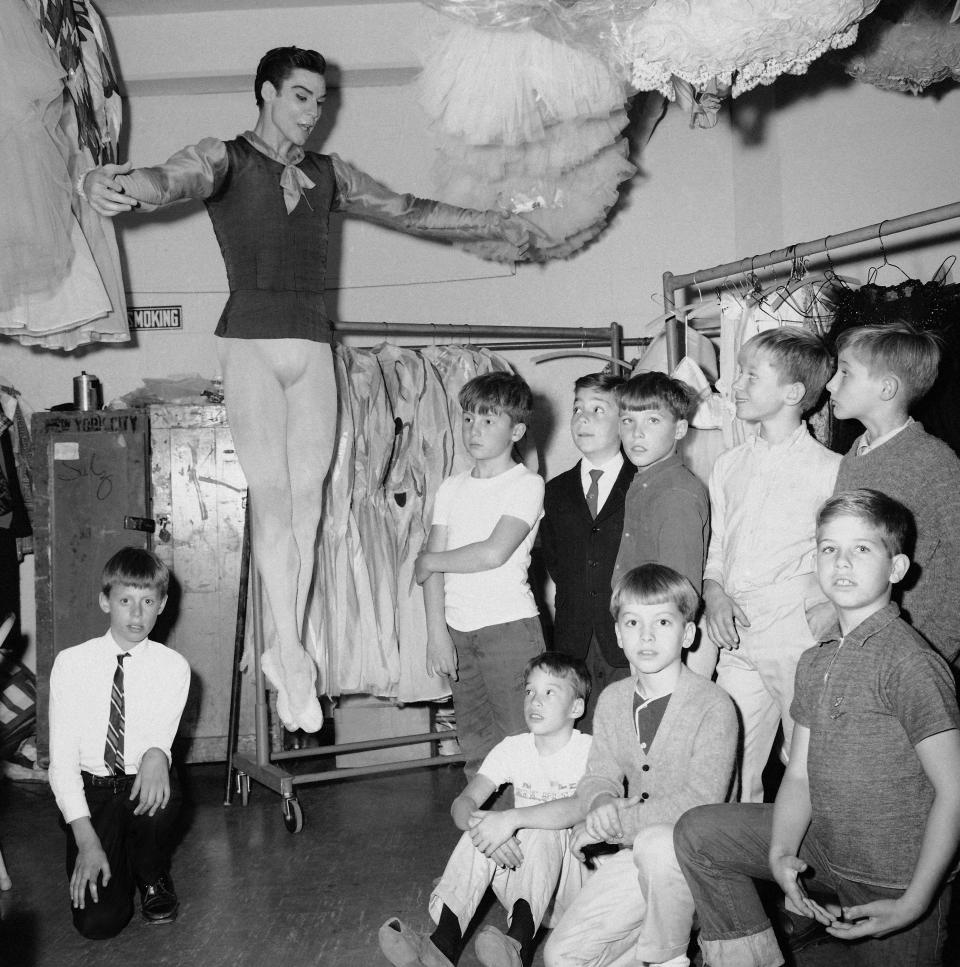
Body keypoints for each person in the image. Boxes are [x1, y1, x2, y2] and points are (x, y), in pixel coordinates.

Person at [81, 46, 540, 733]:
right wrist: (110, 181)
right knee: (273, 499)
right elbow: (165, 180)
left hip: (313, 346)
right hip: (251, 343)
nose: (313, 113)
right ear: (266, 92)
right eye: (301, 97)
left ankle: (287, 646)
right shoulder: (227, 158)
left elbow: (409, 210)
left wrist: (492, 223)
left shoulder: (330, 174)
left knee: (310, 504)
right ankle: (290, 654)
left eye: (320, 101)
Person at [675, 489, 960, 967]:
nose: (841, 562)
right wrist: (781, 852)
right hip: (826, 849)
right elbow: (801, 774)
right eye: (829, 548)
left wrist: (914, 901)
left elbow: (955, 792)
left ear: (897, 569)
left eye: (861, 549)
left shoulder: (911, 664)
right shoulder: (815, 660)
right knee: (698, 833)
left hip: (897, 880)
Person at [544, 564, 738, 967]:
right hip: (635, 856)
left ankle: (671, 957)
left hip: (700, 864)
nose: (646, 635)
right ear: (618, 634)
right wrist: (599, 804)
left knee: (656, 843)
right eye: (632, 622)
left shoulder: (714, 705)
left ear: (688, 633)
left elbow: (700, 804)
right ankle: (656, 949)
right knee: (562, 957)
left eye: (663, 621)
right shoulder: (614, 700)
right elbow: (599, 775)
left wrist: (613, 826)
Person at [379, 652, 592, 967]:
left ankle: (516, 946)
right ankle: (441, 948)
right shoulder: (513, 748)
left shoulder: (588, 750)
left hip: (573, 890)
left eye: (550, 692)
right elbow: (461, 804)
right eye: (530, 691)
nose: (535, 700)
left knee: (540, 829)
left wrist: (509, 821)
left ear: (576, 706)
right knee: (479, 826)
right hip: (526, 886)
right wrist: (486, 828)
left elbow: (577, 808)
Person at [701, 328, 839, 802]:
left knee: (813, 765)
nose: (733, 384)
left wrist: (825, 611)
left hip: (795, 634)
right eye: (738, 373)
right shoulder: (728, 464)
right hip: (737, 633)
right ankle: (735, 866)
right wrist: (714, 592)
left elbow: (837, 556)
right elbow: (718, 547)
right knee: (728, 764)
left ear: (793, 393)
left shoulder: (830, 469)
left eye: (749, 376)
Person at [48, 547, 190, 939]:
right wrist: (86, 841)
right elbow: (60, 764)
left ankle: (151, 874)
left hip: (138, 788)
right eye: (125, 600)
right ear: (104, 601)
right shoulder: (71, 664)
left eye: (147, 601)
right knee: (99, 924)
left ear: (162, 605)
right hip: (91, 794)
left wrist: (159, 751)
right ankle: (117, 858)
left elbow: (162, 734)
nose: (136, 613)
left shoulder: (172, 667)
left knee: (162, 795)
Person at [415, 372, 545, 778]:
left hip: (509, 630)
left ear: (517, 430)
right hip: (458, 631)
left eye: (489, 420)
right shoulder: (451, 487)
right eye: (469, 418)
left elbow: (492, 553)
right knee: (474, 744)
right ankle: (484, 835)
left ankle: (526, 833)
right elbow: (430, 569)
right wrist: (437, 634)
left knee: (520, 739)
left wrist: (431, 561)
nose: (475, 429)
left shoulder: (527, 484)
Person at [826, 320, 960, 666]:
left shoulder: (934, 461)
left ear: (886, 388)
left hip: (914, 655)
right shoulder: (853, 457)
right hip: (858, 646)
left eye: (845, 373)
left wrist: (934, 650)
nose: (830, 384)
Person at [541, 372, 634, 730]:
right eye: (578, 409)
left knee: (625, 733)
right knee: (578, 736)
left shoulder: (640, 482)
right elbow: (554, 561)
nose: (583, 418)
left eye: (598, 409)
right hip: (574, 637)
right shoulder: (556, 491)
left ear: (624, 422)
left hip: (625, 638)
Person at [610, 372, 708, 597]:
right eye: (628, 421)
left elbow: (678, 596)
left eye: (653, 420)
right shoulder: (647, 482)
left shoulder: (675, 494)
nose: (637, 433)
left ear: (680, 429)